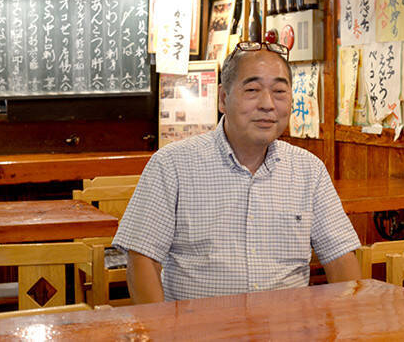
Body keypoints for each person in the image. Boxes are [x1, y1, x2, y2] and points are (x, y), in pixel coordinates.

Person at [113, 41, 361, 304]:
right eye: (252, 90)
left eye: (279, 91)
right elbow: (142, 260)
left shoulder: (309, 170)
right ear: (222, 98)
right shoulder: (172, 165)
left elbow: (341, 257)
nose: (267, 104)